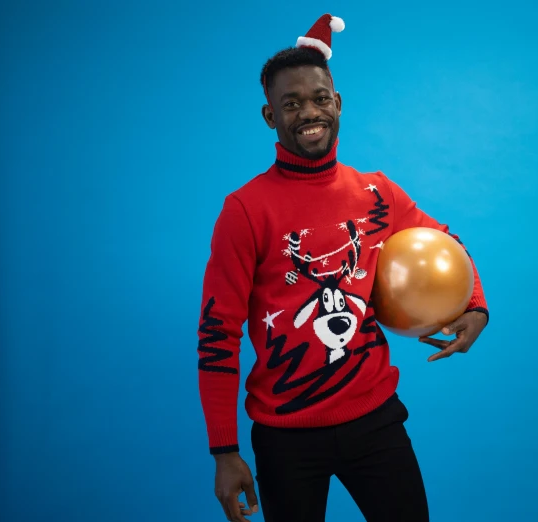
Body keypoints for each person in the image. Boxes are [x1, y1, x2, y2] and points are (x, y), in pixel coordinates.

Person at [196, 14, 489, 522]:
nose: (308, 112)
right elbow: (217, 333)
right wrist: (224, 452)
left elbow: (447, 242)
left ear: (338, 103)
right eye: (290, 104)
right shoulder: (245, 210)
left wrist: (477, 307)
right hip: (285, 435)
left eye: (318, 98)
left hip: (374, 419)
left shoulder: (376, 192)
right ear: (269, 116)